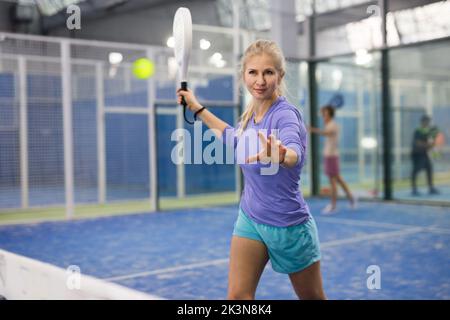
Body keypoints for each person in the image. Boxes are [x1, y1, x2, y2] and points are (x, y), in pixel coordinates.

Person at [177, 40, 326, 300]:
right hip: (251, 219)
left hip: (289, 227)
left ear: (280, 76)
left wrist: (282, 155)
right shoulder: (249, 117)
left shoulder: (286, 115)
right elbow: (231, 136)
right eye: (253, 72)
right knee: (237, 298)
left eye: (268, 72)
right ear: (243, 75)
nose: (260, 80)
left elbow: (294, 151)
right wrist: (196, 107)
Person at [308, 105, 356, 214]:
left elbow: (326, 133)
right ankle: (351, 198)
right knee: (338, 179)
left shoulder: (333, 125)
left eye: (325, 114)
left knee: (333, 181)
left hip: (332, 156)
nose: (323, 116)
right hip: (329, 156)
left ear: (329, 114)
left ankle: (333, 205)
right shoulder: (329, 124)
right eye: (323, 114)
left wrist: (312, 129)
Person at [411, 115, 439, 196]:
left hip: (423, 154)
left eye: (429, 121)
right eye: (427, 121)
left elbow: (429, 143)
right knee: (416, 171)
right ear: (423, 122)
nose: (428, 123)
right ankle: (414, 189)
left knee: (429, 169)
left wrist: (431, 143)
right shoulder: (418, 131)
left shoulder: (426, 131)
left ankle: (431, 188)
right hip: (417, 154)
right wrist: (428, 145)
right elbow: (418, 143)